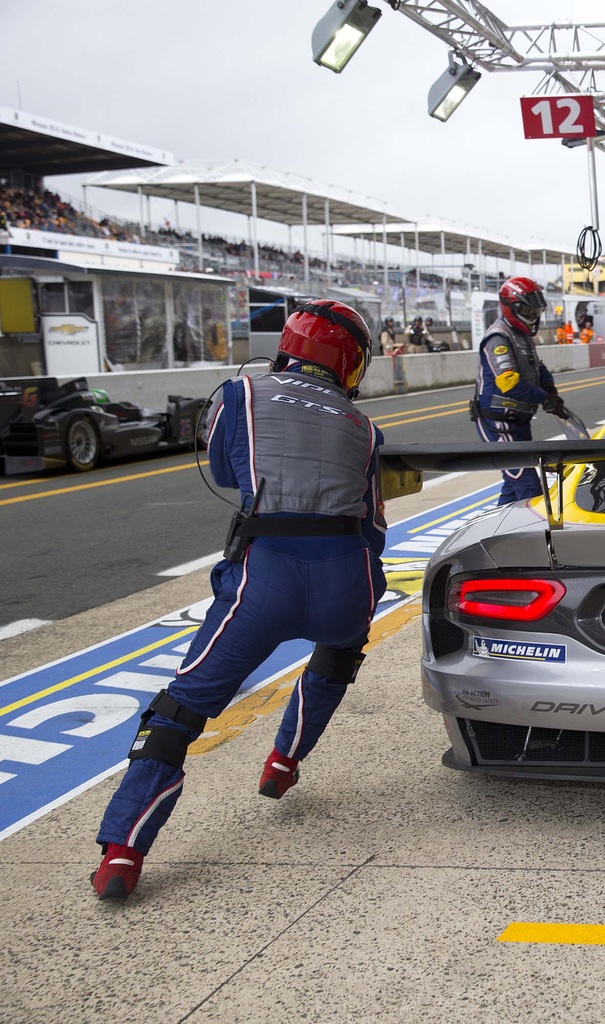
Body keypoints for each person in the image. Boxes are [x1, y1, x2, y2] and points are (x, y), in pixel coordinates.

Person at [91, 300, 386, 900]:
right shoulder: (366, 429)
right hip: (345, 582)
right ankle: (283, 764)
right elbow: (374, 528)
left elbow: (228, 472)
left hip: (264, 580)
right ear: (351, 361)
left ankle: (122, 852)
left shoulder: (240, 392)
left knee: (178, 715)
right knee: (336, 659)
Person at [473, 277, 567, 506]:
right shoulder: (498, 337)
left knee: (512, 491)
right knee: (529, 490)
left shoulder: (521, 335)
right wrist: (545, 400)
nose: (533, 315)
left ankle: (490, 535)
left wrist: (549, 387)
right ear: (511, 306)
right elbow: (509, 384)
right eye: (528, 309)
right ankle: (528, 539)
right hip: (499, 424)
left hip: (518, 423)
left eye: (536, 310)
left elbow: (537, 366)